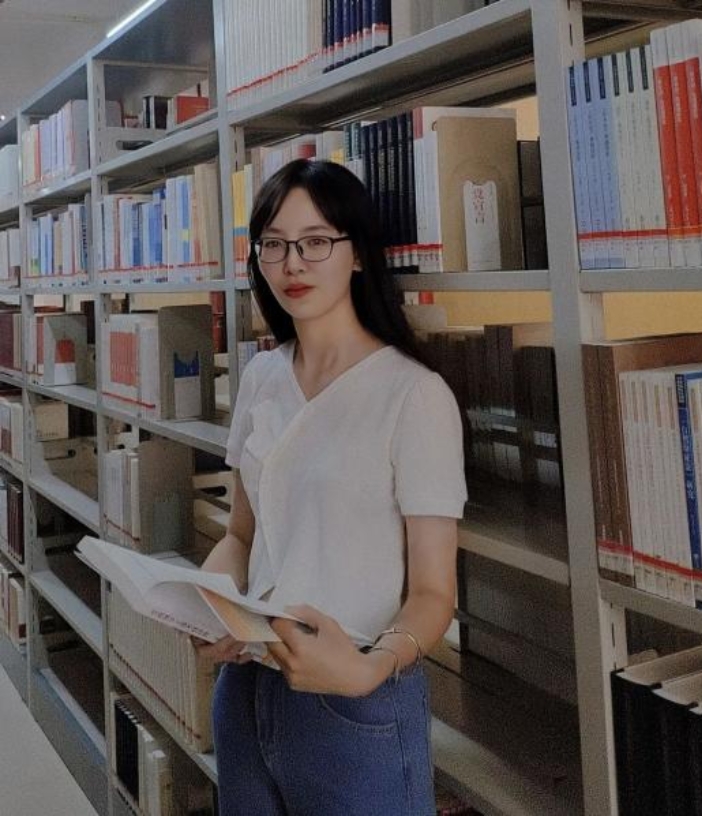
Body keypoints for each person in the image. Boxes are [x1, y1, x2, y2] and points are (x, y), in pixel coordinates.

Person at [198, 158, 467, 815]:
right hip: (247, 688)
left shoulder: (414, 394)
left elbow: (434, 592)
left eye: (315, 241)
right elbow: (241, 535)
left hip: (355, 701)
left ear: (357, 254)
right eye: (274, 244)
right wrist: (208, 601)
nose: (293, 262)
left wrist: (370, 668)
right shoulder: (262, 377)